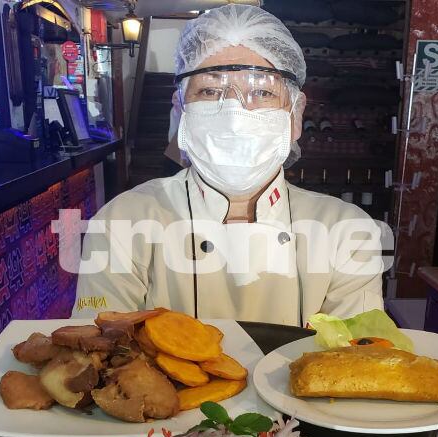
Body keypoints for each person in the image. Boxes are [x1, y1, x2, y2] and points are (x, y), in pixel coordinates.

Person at [71, 4, 389, 327]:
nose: (236, 115)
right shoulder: (120, 223)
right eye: (210, 90)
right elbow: (97, 353)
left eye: (262, 91)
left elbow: (358, 362)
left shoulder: (347, 231)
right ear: (180, 110)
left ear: (295, 116)